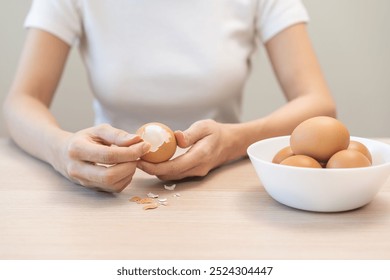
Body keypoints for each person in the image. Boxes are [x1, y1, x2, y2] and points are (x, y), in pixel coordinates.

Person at [3, 0, 336, 193]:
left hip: (224, 186)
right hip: (110, 193)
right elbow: (21, 101)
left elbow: (318, 102)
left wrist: (235, 141)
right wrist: (61, 149)